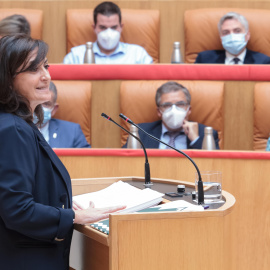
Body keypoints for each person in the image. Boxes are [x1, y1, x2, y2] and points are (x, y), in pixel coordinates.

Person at [0, 35, 125, 270]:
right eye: (33, 69)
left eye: (45, 66)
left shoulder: (17, 125)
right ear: (7, 80)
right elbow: (16, 209)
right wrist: (74, 217)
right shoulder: (13, 129)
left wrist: (61, 206)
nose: (46, 76)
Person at [124, 81, 219, 149]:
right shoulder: (141, 132)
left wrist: (196, 140)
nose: (174, 110)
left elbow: (213, 166)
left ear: (189, 110)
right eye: (167, 105)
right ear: (159, 112)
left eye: (180, 104)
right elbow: (125, 162)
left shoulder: (205, 134)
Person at [63, 1, 153, 64]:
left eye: (114, 27)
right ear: (94, 28)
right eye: (103, 27)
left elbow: (153, 85)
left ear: (121, 27)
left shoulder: (138, 55)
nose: (109, 33)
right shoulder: (76, 56)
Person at [195, 12, 270, 64]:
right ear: (221, 38)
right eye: (225, 32)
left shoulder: (263, 61)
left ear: (247, 35)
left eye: (237, 31)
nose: (232, 36)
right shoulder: (204, 59)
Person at [37, 81, 91, 148]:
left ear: (54, 109)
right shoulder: (20, 130)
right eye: (36, 102)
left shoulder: (73, 132)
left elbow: (86, 158)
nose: (39, 108)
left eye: (46, 104)